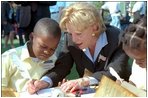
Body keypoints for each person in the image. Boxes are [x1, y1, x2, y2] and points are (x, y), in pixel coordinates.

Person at [27, 2, 131, 94]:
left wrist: (84, 81)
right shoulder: (70, 39)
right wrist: (45, 82)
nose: (74, 39)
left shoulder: (117, 38)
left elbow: (116, 72)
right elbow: (62, 66)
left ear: (95, 27)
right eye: (70, 33)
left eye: (78, 33)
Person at [2, 18, 61, 93]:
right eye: (43, 46)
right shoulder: (9, 58)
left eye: (53, 49)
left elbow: (51, 81)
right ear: (32, 37)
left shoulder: (53, 59)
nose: (47, 52)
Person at [119, 16, 146, 90]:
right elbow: (134, 82)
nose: (137, 63)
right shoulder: (138, 65)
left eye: (142, 59)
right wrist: (126, 86)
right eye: (134, 59)